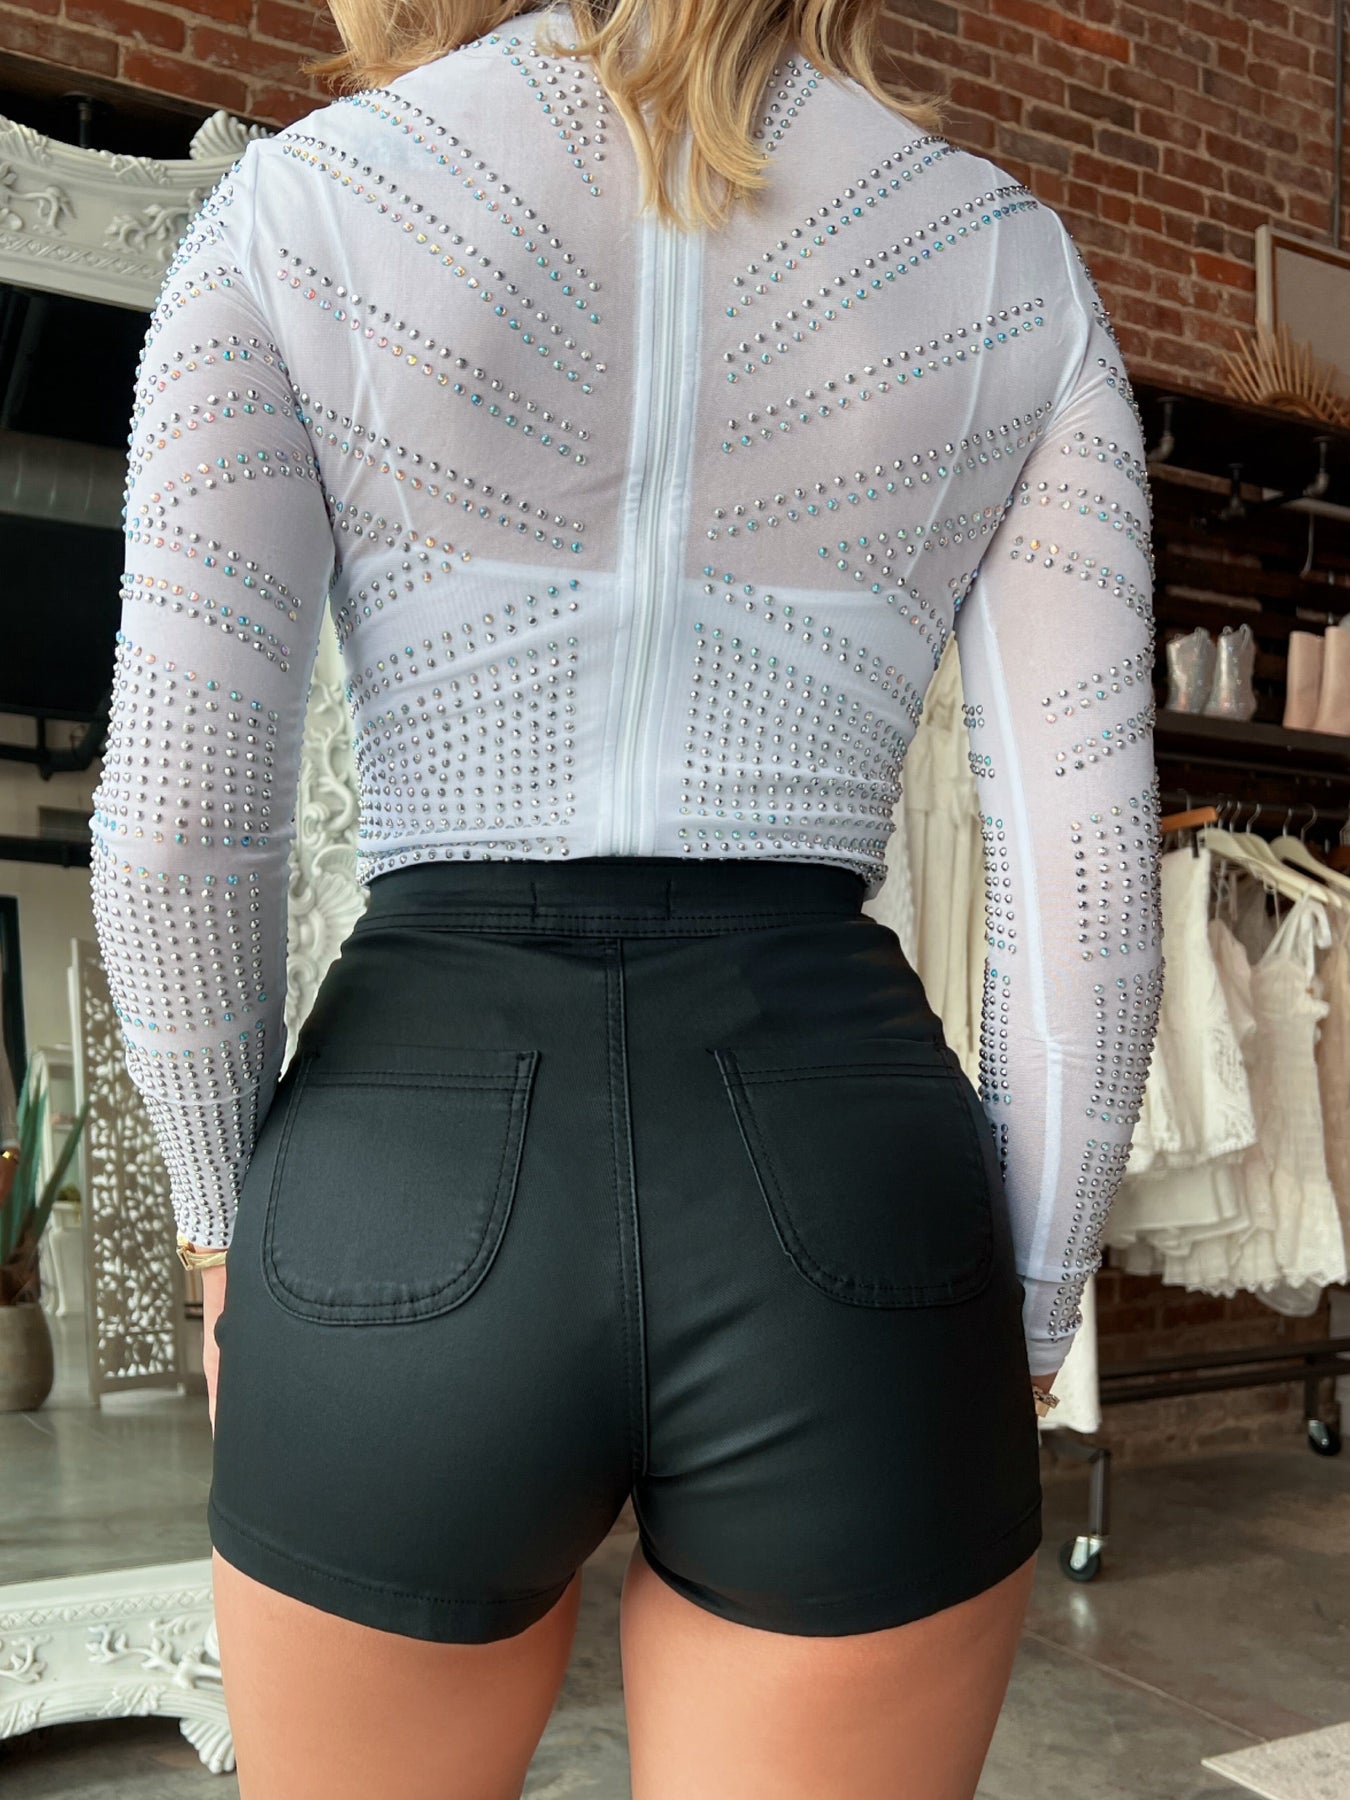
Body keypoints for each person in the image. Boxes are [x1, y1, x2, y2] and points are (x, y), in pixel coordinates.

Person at [88, 1, 1164, 1793]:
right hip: (839, 1171)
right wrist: (1024, 1317)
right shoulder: (1003, 260)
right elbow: (1089, 891)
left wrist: (219, 1236)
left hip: (401, 1175)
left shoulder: (300, 207)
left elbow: (178, 825)